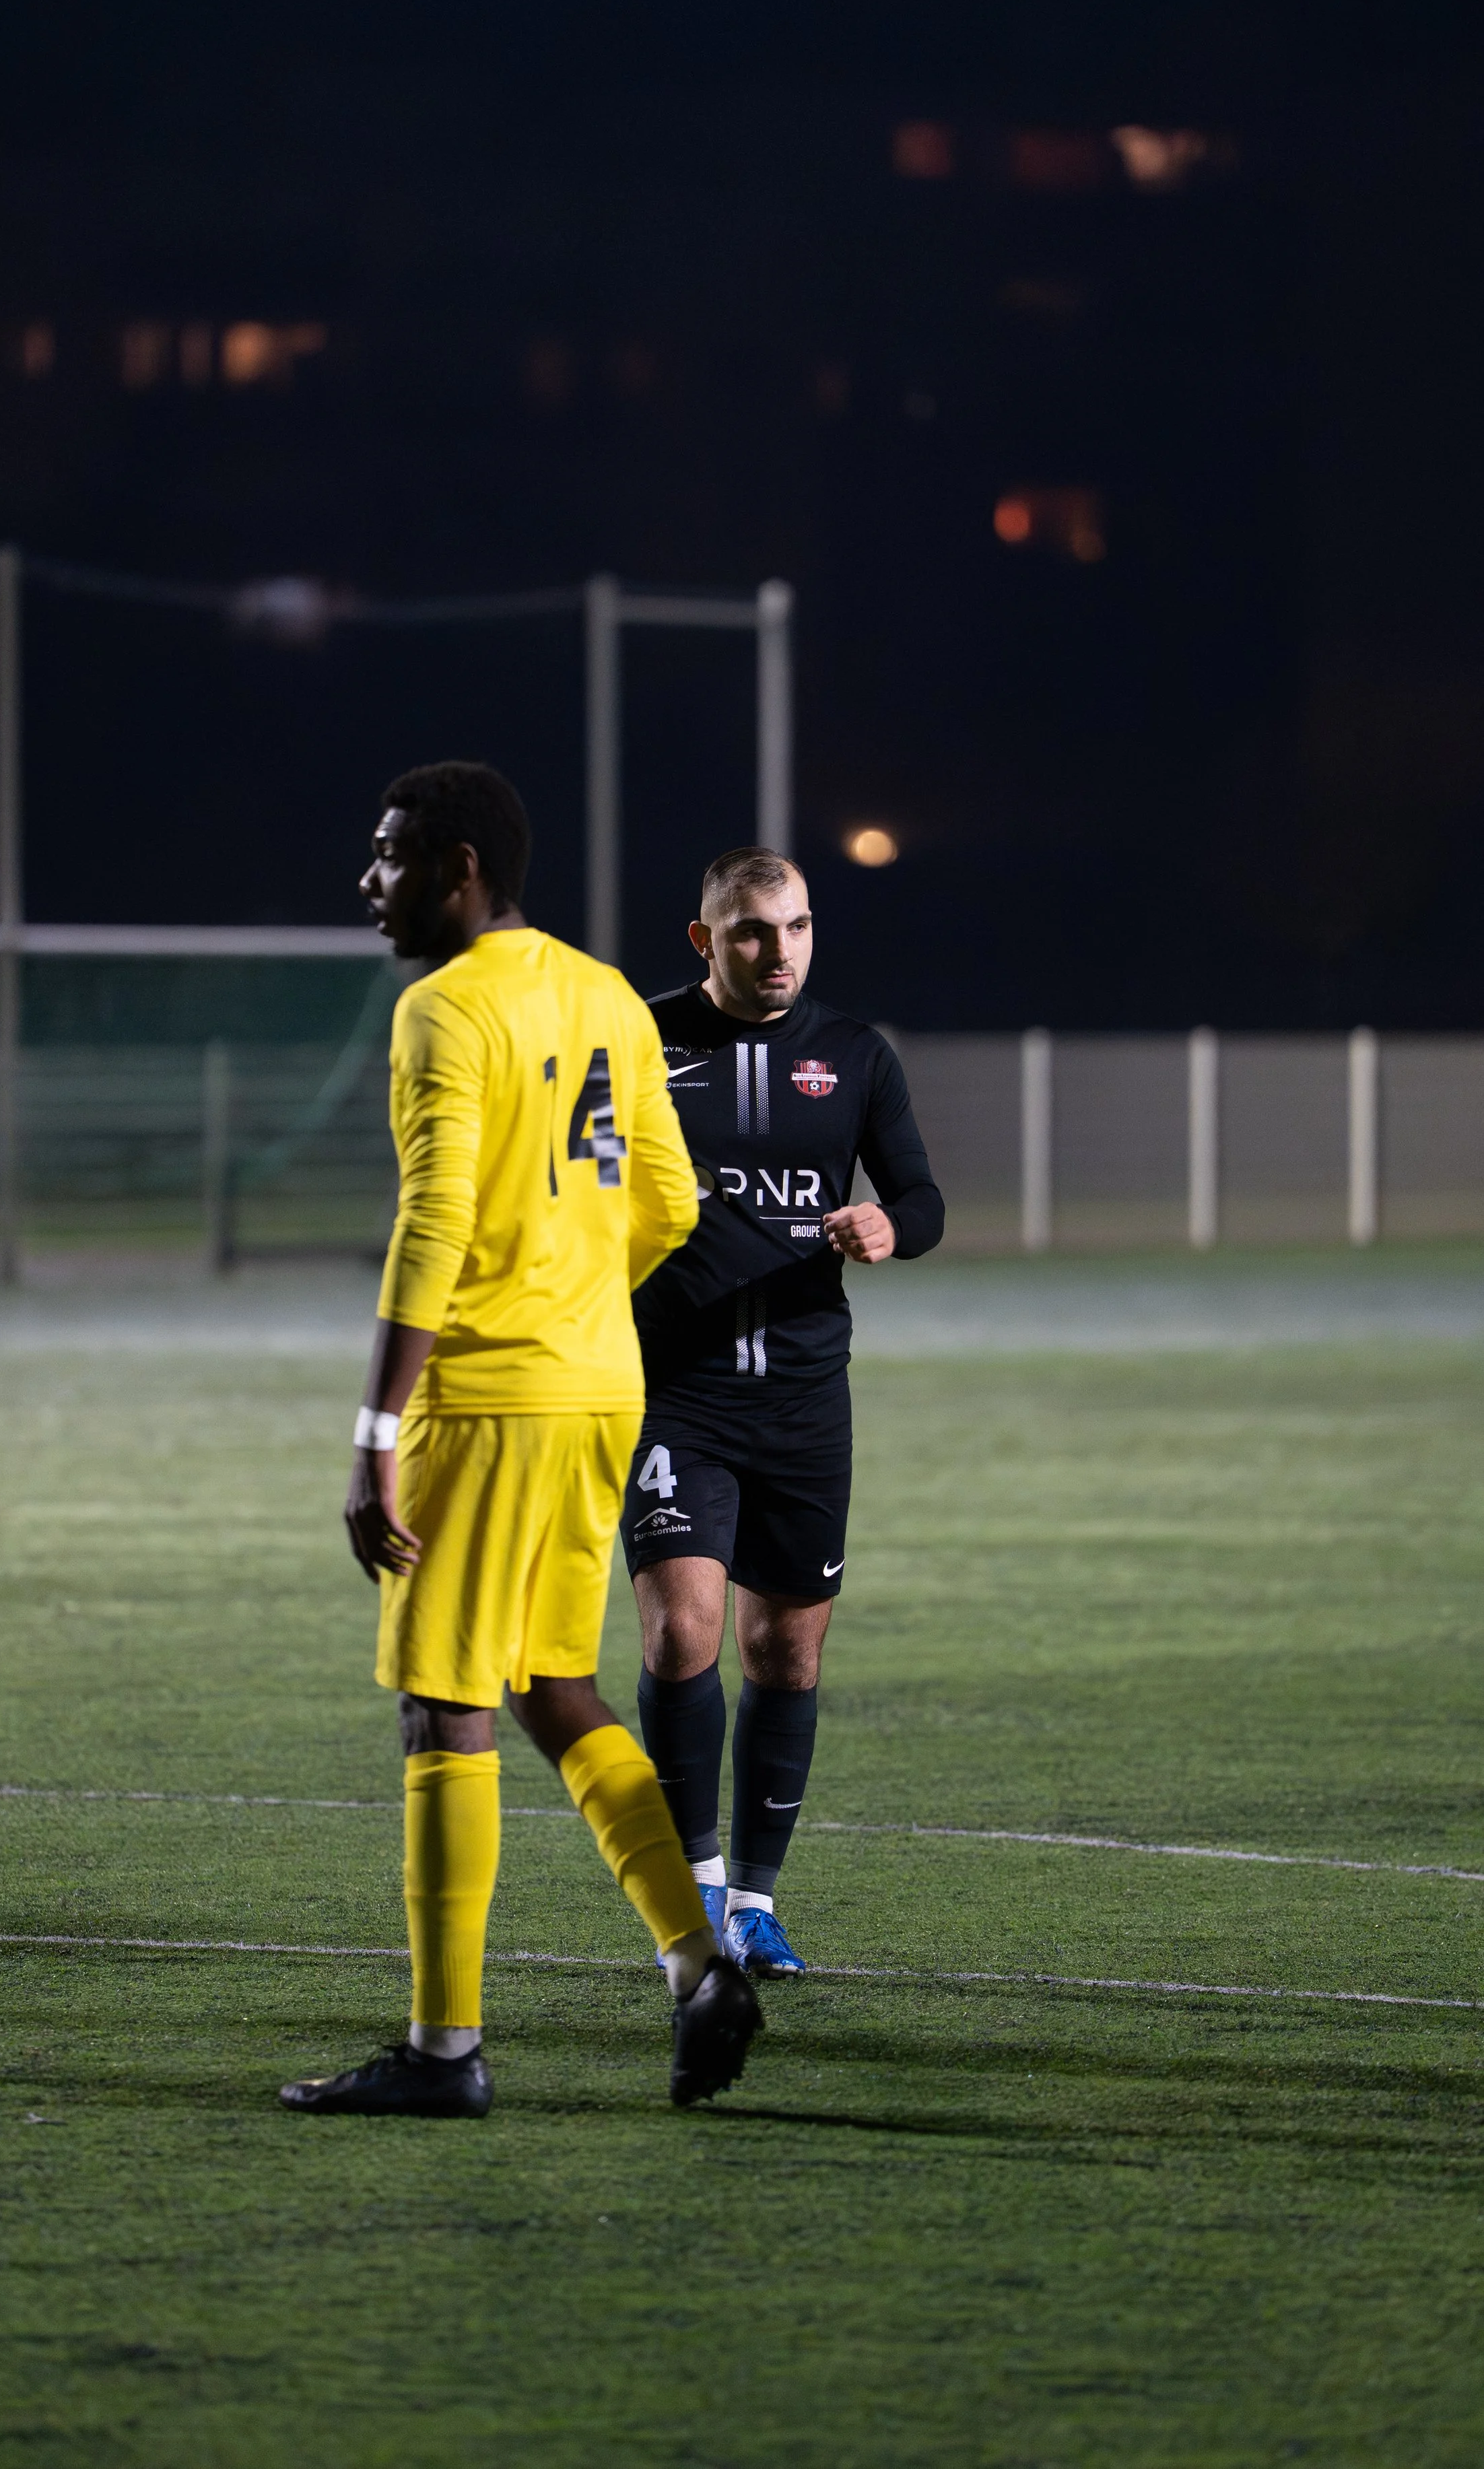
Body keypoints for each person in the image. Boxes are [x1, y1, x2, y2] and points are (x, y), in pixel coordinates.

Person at [280, 764, 763, 2119]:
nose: (369, 883)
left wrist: (376, 1434)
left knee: (445, 1701)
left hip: (486, 1398)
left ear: (461, 869)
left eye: (389, 858)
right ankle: (696, 1961)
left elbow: (432, 1222)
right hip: (597, 1385)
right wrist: (572, 1285)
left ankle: (444, 2054)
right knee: (555, 1684)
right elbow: (668, 1195)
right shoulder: (606, 992)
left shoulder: (443, 1007)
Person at [623, 845, 944, 1976]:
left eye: (799, 926)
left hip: (807, 1398)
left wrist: (891, 1227)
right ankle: (697, 1894)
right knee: (682, 1632)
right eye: (754, 931)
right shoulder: (636, 1041)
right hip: (674, 1392)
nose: (780, 951)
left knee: (787, 1656)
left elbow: (922, 1196)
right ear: (705, 939)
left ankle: (755, 1905)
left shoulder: (855, 1056)